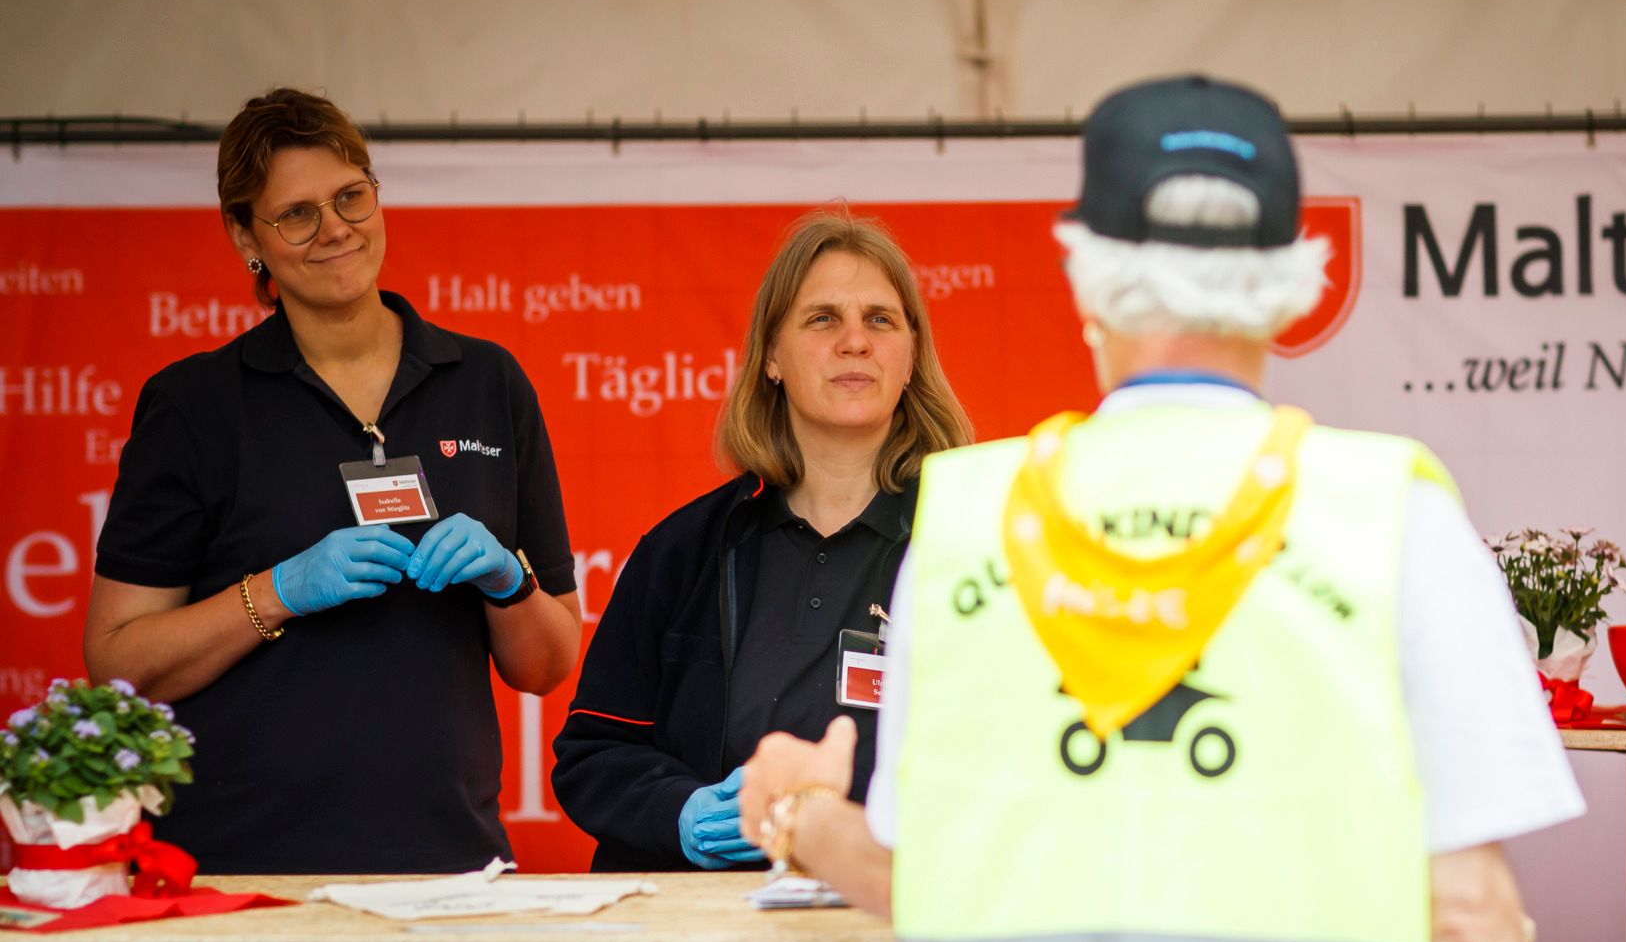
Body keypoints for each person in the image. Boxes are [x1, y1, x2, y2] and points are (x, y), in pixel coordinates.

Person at [739, 76, 1584, 942]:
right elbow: (1471, 916)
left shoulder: (966, 521)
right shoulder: (1393, 513)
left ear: (1088, 282)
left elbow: (922, 880)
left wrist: (800, 812)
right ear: (1293, 284)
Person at [83, 88, 581, 874]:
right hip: (240, 870)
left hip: (449, 865)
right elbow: (118, 660)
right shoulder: (194, 405)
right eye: (296, 214)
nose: (335, 229)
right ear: (245, 235)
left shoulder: (488, 382)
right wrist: (276, 590)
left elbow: (547, 665)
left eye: (351, 195)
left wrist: (506, 582)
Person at [551, 209, 971, 872]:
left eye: (880, 319)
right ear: (772, 356)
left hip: (889, 911)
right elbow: (593, 753)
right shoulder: (684, 551)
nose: (855, 341)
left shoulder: (971, 543)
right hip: (707, 924)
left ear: (911, 356)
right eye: (823, 318)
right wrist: (678, 810)